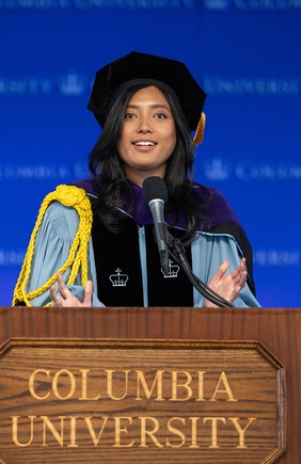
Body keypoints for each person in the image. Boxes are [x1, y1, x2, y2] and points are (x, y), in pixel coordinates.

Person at [13, 51, 259, 309]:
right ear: (113, 130)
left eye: (160, 115)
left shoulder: (209, 213)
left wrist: (219, 315)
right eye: (130, 115)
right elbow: (38, 307)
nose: (144, 126)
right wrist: (74, 322)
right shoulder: (73, 212)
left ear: (178, 130)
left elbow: (247, 323)